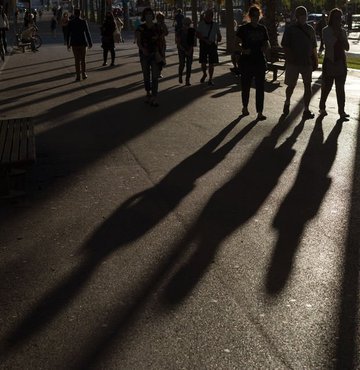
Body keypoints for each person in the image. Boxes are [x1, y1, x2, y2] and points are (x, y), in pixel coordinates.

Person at [281, 6, 318, 120]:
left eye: (305, 15)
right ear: (297, 16)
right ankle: (287, 102)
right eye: (301, 15)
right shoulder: (290, 29)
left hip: (306, 62)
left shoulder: (310, 29)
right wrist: (290, 57)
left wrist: (315, 60)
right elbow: (285, 45)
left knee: (308, 86)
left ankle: (306, 109)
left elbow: (313, 46)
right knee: (291, 86)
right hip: (293, 63)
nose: (304, 17)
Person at [236, 4, 270, 120]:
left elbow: (267, 43)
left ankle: (260, 112)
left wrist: (265, 48)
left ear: (259, 15)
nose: (255, 17)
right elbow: (236, 44)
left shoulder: (262, 29)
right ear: (249, 16)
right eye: (253, 15)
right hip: (246, 62)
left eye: (257, 15)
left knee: (260, 88)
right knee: (246, 86)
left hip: (259, 61)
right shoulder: (243, 29)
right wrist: (244, 50)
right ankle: (245, 107)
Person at [319, 8, 350, 120]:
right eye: (336, 17)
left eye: (340, 17)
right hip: (330, 62)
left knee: (340, 89)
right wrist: (336, 34)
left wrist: (341, 35)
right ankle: (322, 106)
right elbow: (329, 43)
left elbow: (347, 47)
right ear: (332, 18)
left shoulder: (343, 31)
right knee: (327, 87)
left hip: (341, 62)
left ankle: (341, 112)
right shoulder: (326, 30)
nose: (339, 19)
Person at [136, 7, 162, 107]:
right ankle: (148, 93)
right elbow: (138, 42)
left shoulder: (157, 27)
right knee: (146, 76)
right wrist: (143, 49)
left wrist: (162, 54)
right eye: (146, 14)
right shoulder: (140, 28)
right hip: (144, 55)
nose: (149, 16)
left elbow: (161, 40)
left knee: (155, 76)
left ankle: (154, 97)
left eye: (150, 14)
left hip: (155, 54)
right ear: (144, 16)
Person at [196, 9, 222, 86]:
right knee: (203, 62)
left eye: (209, 16)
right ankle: (204, 73)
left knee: (211, 63)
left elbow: (218, 33)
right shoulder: (201, 24)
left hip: (212, 44)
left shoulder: (215, 24)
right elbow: (197, 34)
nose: (207, 17)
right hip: (204, 44)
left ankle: (210, 79)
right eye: (206, 15)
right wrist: (204, 39)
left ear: (212, 16)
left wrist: (219, 37)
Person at [67, 8, 93, 81]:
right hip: (83, 43)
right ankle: (84, 74)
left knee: (77, 60)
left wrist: (68, 44)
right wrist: (90, 42)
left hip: (74, 43)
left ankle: (78, 76)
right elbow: (87, 33)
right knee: (83, 60)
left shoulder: (71, 22)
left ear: (74, 14)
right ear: (80, 14)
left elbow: (68, 34)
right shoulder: (83, 22)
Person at [176, 17, 196, 85]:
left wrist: (189, 50)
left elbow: (193, 42)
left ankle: (187, 79)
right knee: (182, 64)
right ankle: (180, 75)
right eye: (186, 24)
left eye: (188, 24)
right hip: (181, 50)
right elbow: (178, 43)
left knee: (189, 65)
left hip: (189, 49)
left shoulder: (192, 31)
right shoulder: (179, 31)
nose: (187, 25)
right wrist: (184, 50)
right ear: (183, 24)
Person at [156, 12, 168, 77]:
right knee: (156, 57)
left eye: (161, 18)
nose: (160, 19)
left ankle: (159, 72)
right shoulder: (154, 25)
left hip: (162, 43)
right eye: (159, 18)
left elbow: (166, 32)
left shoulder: (164, 25)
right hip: (155, 43)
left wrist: (162, 33)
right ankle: (156, 71)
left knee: (161, 57)